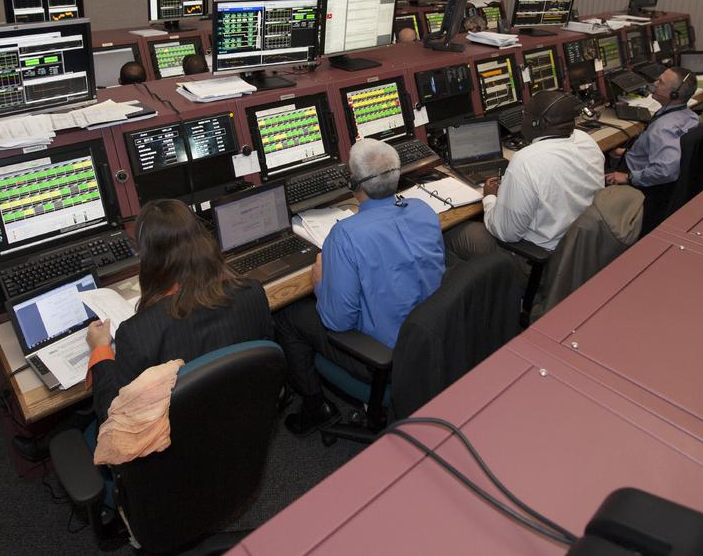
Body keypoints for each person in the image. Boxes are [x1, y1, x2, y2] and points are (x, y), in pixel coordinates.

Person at [273, 139, 446, 435]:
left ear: (353, 183)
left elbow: (337, 320)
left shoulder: (346, 236)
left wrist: (319, 284)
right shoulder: (423, 209)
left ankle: (315, 408)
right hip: (428, 340)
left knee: (287, 316)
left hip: (383, 360)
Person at [85, 199, 273, 423]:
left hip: (177, 439)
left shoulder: (136, 333)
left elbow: (113, 413)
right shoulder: (252, 292)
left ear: (148, 258)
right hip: (244, 415)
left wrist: (100, 350)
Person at [445, 91, 604, 259]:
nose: (523, 120)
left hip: (538, 257)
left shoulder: (526, 161)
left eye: (525, 114)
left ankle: (490, 282)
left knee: (452, 235)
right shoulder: (587, 141)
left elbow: (506, 233)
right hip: (580, 248)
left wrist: (490, 198)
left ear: (539, 123)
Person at [606, 68, 699, 188]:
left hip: (634, 175)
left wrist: (628, 177)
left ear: (674, 94)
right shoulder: (690, 116)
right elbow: (663, 146)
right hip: (640, 160)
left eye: (661, 82)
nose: (655, 83)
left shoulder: (662, 129)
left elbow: (666, 171)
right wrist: (633, 152)